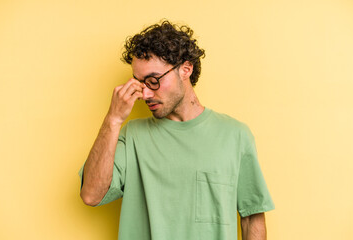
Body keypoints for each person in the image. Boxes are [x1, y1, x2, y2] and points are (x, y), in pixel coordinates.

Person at [78, 20, 275, 240]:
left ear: (185, 69)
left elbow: (252, 217)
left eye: (153, 80)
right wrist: (113, 119)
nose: (146, 94)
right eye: (140, 83)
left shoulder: (235, 135)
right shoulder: (131, 136)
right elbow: (90, 195)